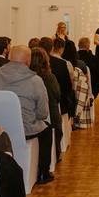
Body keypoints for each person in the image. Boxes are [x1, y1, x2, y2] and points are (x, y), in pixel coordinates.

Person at [0, 46, 54, 184]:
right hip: (26, 130)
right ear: (28, 60)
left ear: (9, 57)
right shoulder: (35, 81)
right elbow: (43, 113)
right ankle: (44, 173)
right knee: (47, 130)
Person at [29, 47, 63, 175]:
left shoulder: (27, 78)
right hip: (48, 114)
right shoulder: (49, 77)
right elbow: (57, 95)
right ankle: (53, 157)